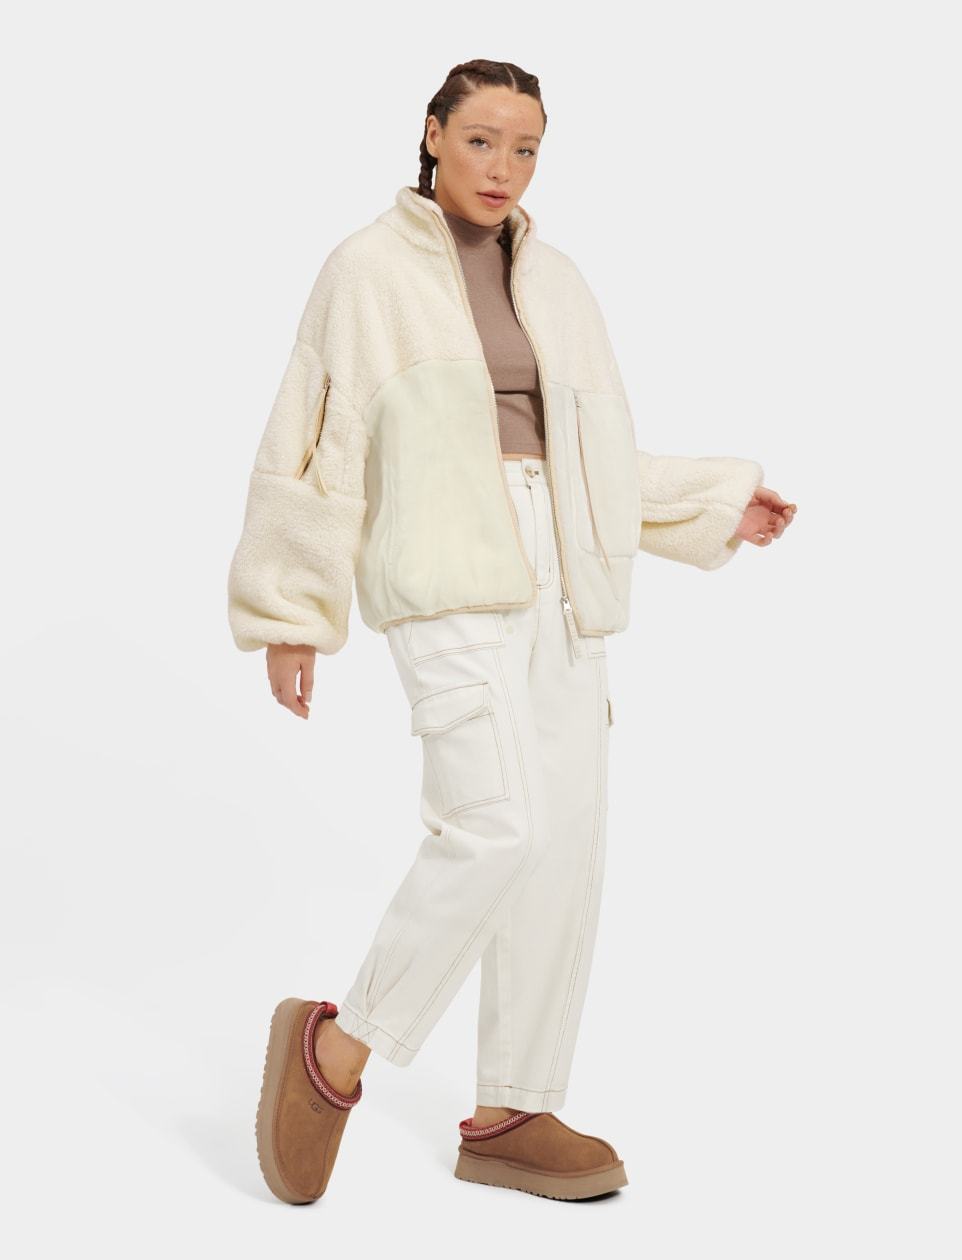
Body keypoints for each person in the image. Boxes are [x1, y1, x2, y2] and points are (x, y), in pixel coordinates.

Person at [228, 58, 797, 1206]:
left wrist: (714, 501)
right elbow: (314, 443)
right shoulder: (367, 271)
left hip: (566, 578)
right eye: (483, 140)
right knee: (495, 826)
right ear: (433, 134)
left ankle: (512, 1110)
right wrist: (293, 612)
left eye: (527, 148)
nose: (504, 167)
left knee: (563, 844)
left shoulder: (561, 281)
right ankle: (336, 1047)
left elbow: (590, 460)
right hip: (443, 569)